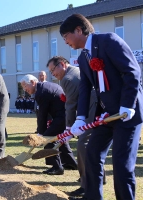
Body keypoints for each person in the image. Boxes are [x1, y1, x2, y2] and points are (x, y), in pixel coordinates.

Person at [60, 14, 143, 200]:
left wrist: (128, 105)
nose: (65, 42)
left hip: (127, 114)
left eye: (65, 36)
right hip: (106, 115)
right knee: (92, 153)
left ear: (79, 30)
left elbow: (132, 72)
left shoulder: (109, 41)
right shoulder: (83, 57)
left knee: (122, 165)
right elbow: (85, 88)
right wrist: (80, 117)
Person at [47, 56, 102, 196]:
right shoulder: (73, 72)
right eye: (51, 72)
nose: (53, 74)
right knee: (92, 145)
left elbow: (70, 105)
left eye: (53, 69)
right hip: (95, 108)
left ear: (63, 65)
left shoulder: (67, 79)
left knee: (83, 144)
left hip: (93, 108)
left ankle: (87, 185)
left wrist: (68, 129)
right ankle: (98, 179)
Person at [20, 74, 77, 175]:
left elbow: (42, 114)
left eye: (25, 86)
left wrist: (41, 134)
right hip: (65, 115)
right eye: (23, 87)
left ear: (33, 82)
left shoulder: (41, 92)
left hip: (63, 116)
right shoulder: (45, 87)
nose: (25, 89)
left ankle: (57, 167)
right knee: (60, 139)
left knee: (48, 139)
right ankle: (70, 162)